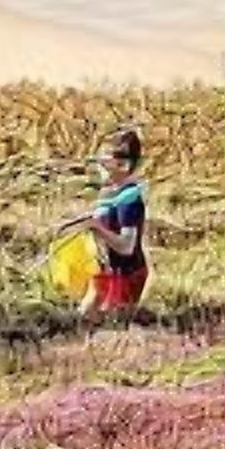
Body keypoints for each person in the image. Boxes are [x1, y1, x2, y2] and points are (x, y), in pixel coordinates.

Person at [78, 127, 148, 314]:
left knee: (111, 323)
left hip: (126, 274)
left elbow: (127, 246)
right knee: (84, 316)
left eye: (105, 164)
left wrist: (97, 227)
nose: (100, 169)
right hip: (104, 269)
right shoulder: (108, 192)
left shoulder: (129, 199)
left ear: (123, 165)